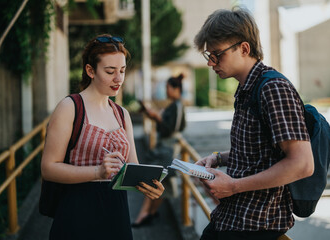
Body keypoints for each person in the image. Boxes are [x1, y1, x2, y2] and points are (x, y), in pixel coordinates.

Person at [194, 7, 314, 240]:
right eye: (209, 56)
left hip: (256, 227)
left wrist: (233, 186)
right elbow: (260, 150)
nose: (211, 63)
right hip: (231, 218)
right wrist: (217, 158)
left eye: (217, 54)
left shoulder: (273, 88)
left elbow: (302, 164)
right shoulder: (246, 88)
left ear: (244, 48)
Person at [41, 34, 164, 240]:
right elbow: (48, 168)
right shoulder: (70, 107)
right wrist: (97, 172)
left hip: (116, 213)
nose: (119, 79)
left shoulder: (122, 114)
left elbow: (132, 166)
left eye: (122, 71)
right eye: (110, 71)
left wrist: (149, 186)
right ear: (90, 70)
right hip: (77, 213)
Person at [132, 74, 186, 227]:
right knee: (161, 182)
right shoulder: (174, 105)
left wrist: (157, 117)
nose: (166, 90)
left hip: (167, 149)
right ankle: (150, 213)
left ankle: (144, 214)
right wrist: (154, 116)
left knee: (153, 179)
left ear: (176, 89)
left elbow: (171, 128)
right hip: (166, 148)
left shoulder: (177, 106)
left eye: (168, 87)